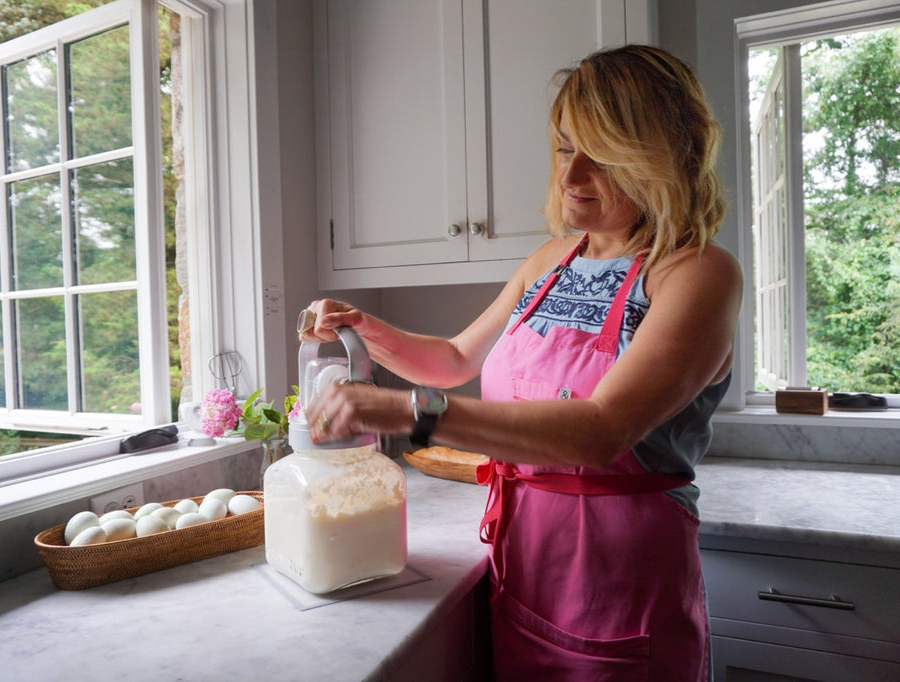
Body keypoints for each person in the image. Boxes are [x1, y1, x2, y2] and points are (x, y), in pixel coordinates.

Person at [299, 44, 742, 681]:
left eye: (603, 156)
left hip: (622, 581)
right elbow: (453, 359)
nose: (571, 177)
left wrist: (408, 412)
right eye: (565, 148)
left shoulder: (697, 273)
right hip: (527, 560)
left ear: (665, 160)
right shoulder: (550, 261)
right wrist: (365, 329)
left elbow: (598, 430)